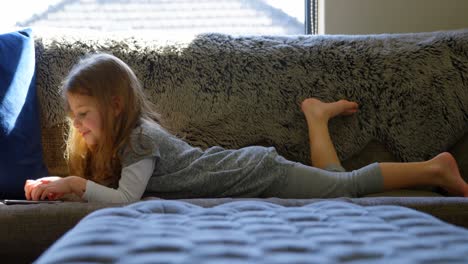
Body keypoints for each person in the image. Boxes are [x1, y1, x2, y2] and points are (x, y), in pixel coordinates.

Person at [24, 53, 468, 202]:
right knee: (335, 185)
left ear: (115, 106)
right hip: (250, 172)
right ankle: (316, 117)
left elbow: (123, 200)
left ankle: (434, 168)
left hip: (257, 173)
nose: (77, 125)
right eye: (74, 116)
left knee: (345, 188)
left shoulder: (139, 138)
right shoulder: (121, 140)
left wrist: (71, 185)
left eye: (83, 114)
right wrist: (60, 183)